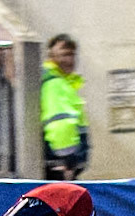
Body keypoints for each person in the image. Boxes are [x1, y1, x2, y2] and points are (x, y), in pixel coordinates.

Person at [41, 34, 88, 180]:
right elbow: (60, 124)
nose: (69, 60)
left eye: (72, 55)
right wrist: (68, 161)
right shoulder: (55, 83)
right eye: (64, 55)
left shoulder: (62, 82)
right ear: (51, 57)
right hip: (62, 167)